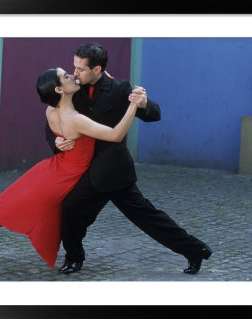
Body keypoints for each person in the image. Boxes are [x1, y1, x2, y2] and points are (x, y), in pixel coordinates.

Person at [0, 66, 140, 270]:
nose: (73, 76)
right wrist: (133, 104)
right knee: (0, 214)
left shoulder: (51, 110)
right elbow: (115, 135)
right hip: (58, 179)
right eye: (67, 76)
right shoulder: (75, 119)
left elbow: (64, 125)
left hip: (49, 171)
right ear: (59, 89)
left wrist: (102, 80)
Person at [45, 42, 212, 275]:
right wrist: (55, 142)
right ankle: (74, 258)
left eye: (80, 69)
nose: (75, 73)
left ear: (97, 69)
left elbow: (155, 114)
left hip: (114, 171)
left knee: (148, 218)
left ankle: (196, 250)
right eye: (74, 67)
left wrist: (143, 103)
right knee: (71, 210)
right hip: (86, 170)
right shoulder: (73, 89)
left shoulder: (120, 88)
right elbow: (54, 120)